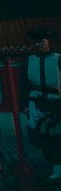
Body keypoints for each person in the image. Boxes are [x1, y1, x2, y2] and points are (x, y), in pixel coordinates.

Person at [19, 27, 61, 181]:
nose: (38, 45)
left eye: (41, 41)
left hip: (56, 102)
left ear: (49, 42)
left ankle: (58, 166)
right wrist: (24, 105)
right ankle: (54, 162)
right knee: (39, 137)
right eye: (36, 42)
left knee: (58, 136)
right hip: (36, 103)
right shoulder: (28, 61)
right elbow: (23, 85)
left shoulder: (58, 58)